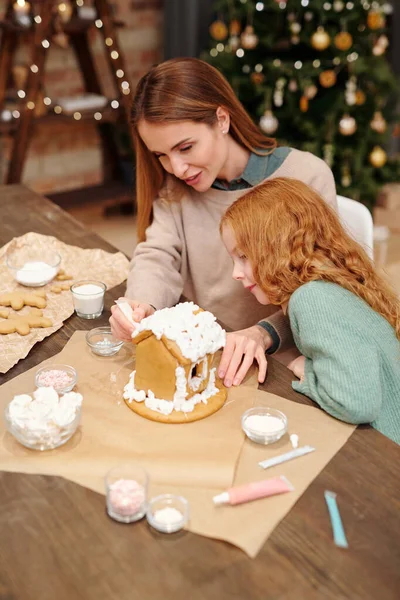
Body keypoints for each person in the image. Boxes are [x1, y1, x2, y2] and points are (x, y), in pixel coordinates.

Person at [110, 57, 337, 388]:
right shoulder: (175, 190)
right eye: (160, 155)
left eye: (185, 147)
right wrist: (140, 304)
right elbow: (157, 254)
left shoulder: (306, 176)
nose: (177, 167)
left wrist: (265, 333)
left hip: (282, 366)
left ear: (221, 120)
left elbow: (326, 292)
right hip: (201, 358)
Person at [220, 177, 400, 444]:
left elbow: (357, 403)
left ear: (277, 247)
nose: (235, 273)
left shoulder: (312, 298)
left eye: (244, 257)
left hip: (383, 451)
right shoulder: (326, 282)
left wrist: (306, 369)